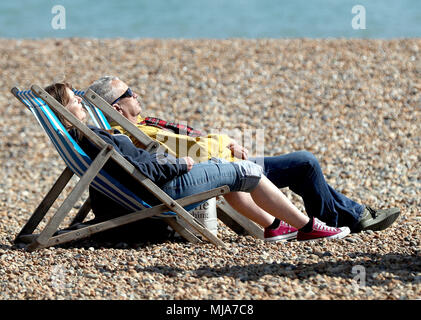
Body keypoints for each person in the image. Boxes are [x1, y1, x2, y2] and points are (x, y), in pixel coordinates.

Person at [86, 76, 401, 239]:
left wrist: (226, 143)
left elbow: (192, 144)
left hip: (225, 163)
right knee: (305, 162)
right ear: (116, 107)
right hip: (224, 168)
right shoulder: (134, 135)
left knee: (304, 165)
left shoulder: (141, 125)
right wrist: (227, 143)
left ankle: (345, 214)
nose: (137, 95)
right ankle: (344, 217)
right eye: (129, 93)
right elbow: (192, 154)